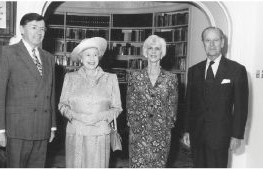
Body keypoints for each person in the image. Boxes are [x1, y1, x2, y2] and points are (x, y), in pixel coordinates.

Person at [0, 13, 56, 168]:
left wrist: (52, 126)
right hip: (18, 128)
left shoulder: (49, 58)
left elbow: (51, 94)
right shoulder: (8, 53)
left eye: (42, 29)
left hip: (42, 127)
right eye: (34, 27)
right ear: (22, 29)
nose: (39, 32)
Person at [182, 27, 249, 168]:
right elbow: (189, 103)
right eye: (208, 40)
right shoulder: (194, 71)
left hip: (221, 135)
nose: (211, 44)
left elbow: (241, 107)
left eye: (216, 40)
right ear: (203, 43)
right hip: (197, 133)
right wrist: (187, 130)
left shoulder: (236, 70)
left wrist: (236, 135)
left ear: (222, 43)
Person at [58, 37, 123, 168]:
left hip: (100, 133)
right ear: (81, 58)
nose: (92, 59)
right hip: (76, 132)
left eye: (95, 55)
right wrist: (77, 116)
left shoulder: (111, 79)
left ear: (99, 57)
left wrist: (99, 117)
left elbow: (117, 108)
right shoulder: (70, 78)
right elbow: (62, 105)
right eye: (87, 55)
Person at [127, 35, 178, 167]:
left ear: (162, 53)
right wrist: (133, 125)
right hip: (138, 132)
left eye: (157, 49)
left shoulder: (171, 78)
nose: (154, 51)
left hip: (161, 133)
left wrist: (166, 127)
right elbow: (130, 105)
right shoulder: (135, 77)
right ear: (145, 52)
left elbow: (173, 107)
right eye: (150, 48)